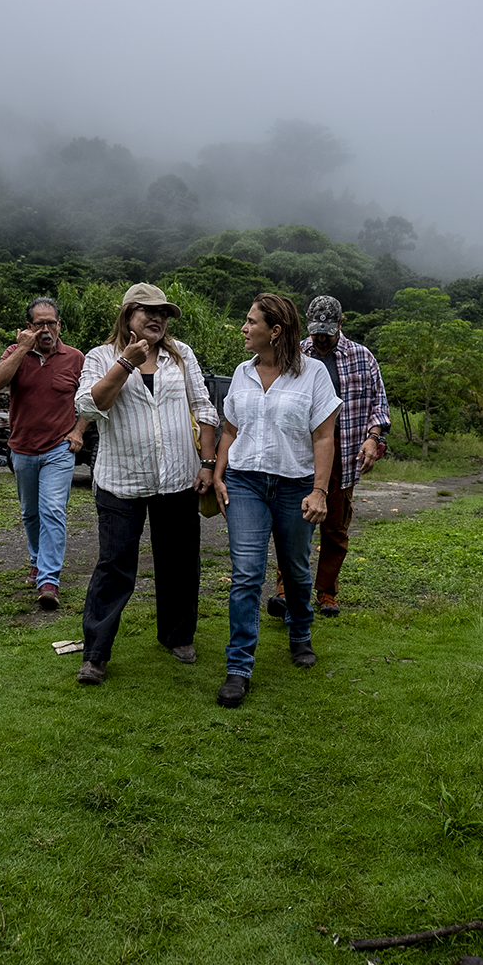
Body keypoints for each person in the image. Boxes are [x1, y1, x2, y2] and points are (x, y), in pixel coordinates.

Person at [74, 283, 218, 684]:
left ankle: (177, 636)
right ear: (127, 315)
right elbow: (88, 405)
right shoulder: (100, 356)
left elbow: (203, 408)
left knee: (179, 563)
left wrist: (207, 463)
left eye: (164, 313)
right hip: (122, 480)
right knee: (115, 566)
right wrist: (125, 363)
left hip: (177, 479)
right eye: (148, 311)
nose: (158, 318)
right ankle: (96, 653)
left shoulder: (180, 353)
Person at [212, 294, 340, 708]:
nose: (244, 328)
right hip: (245, 482)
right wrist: (217, 470)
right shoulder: (241, 373)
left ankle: (300, 633)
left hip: (294, 485)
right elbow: (230, 430)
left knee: (296, 568)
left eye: (251, 322)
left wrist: (319, 490)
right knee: (247, 573)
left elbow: (324, 436)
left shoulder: (315, 375)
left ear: (276, 330)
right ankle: (238, 667)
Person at [267, 294, 390, 618]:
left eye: (328, 331)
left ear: (341, 324)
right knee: (292, 523)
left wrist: (372, 439)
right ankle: (285, 590)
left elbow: (380, 406)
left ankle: (326, 592)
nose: (321, 338)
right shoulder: (295, 353)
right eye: (316, 331)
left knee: (335, 526)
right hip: (300, 455)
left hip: (345, 453)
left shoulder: (362, 358)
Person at [0, 297, 89, 609]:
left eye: (51, 323)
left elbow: (90, 398)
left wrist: (78, 430)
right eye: (39, 324)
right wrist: (22, 348)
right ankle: (36, 559)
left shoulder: (75, 358)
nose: (46, 329)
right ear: (28, 327)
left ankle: (49, 580)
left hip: (59, 448)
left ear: (60, 325)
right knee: (30, 513)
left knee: (53, 511)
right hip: (22, 448)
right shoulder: (15, 354)